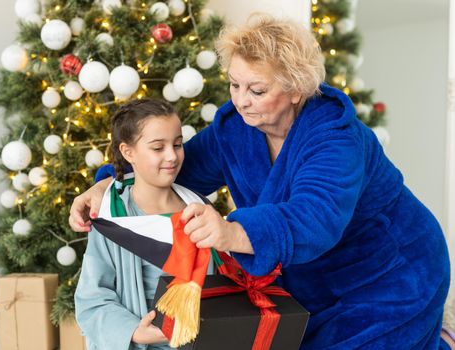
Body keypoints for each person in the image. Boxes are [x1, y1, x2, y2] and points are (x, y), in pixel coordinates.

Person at [70, 15, 451, 349]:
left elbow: (314, 217)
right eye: (235, 85)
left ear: (296, 89)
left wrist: (232, 233)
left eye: (257, 90)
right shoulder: (236, 129)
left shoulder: (336, 138)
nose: (241, 101)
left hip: (388, 273)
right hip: (307, 280)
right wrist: (106, 184)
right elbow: (171, 169)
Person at [74, 99, 213, 350]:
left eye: (178, 144)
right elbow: (92, 298)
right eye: (158, 148)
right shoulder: (113, 216)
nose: (172, 156)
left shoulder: (199, 209)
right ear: (128, 152)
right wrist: (134, 332)